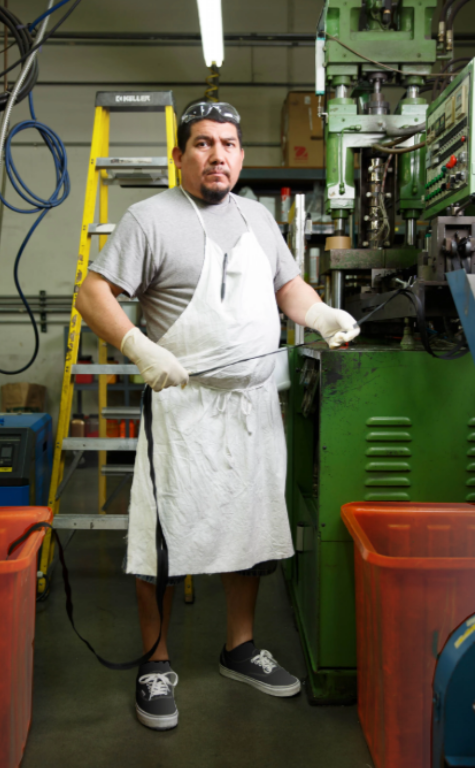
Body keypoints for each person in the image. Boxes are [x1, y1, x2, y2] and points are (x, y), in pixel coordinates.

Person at [76, 101, 359, 731]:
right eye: (203, 143)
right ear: (180, 155)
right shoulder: (149, 219)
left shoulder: (258, 218)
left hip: (253, 407)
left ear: (240, 154)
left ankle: (240, 647)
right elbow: (93, 294)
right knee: (163, 541)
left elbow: (289, 286)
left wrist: (319, 316)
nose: (218, 155)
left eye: (228, 144)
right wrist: (140, 348)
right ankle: (156, 662)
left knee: (251, 530)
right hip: (183, 407)